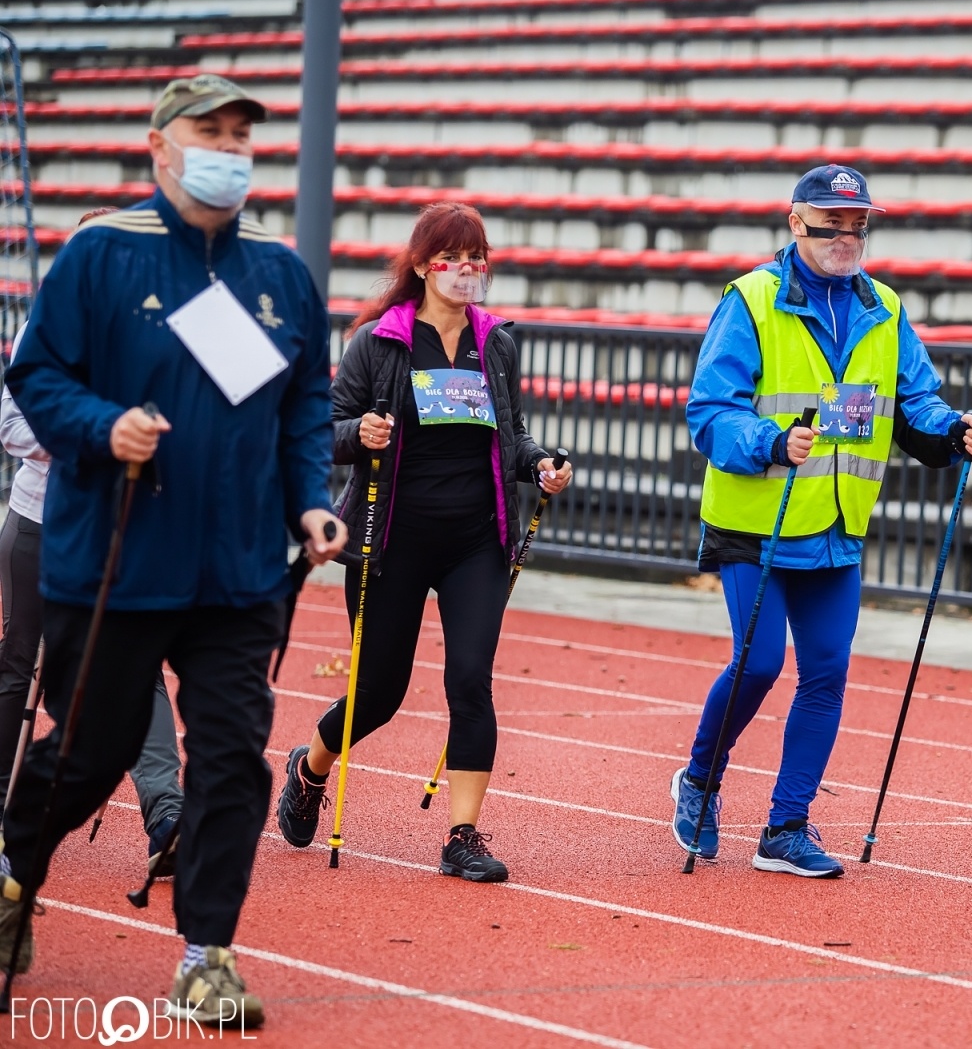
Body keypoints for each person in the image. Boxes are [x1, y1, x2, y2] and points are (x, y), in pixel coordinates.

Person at [0, 73, 343, 1027]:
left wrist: (310, 505)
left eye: (242, 131)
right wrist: (104, 428)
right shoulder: (102, 253)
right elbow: (35, 374)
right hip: (115, 560)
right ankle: (13, 877)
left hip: (238, 574)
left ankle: (207, 955)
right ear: (160, 146)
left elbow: (305, 403)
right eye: (210, 129)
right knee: (87, 754)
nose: (229, 146)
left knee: (232, 760)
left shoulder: (278, 275)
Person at [669, 165, 972, 878]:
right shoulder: (751, 300)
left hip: (837, 527)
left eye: (857, 223)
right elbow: (708, 413)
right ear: (796, 223)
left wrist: (952, 432)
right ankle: (700, 778)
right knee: (759, 664)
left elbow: (917, 404)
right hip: (756, 521)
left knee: (827, 673)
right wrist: (771, 442)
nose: (844, 236)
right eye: (829, 221)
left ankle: (786, 827)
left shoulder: (884, 307)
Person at [275, 202, 571, 884]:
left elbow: (512, 435)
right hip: (392, 537)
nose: (469, 269)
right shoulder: (379, 342)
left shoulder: (495, 342)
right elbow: (325, 428)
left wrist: (540, 466)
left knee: (471, 682)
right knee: (380, 691)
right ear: (421, 266)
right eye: (454, 257)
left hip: (476, 539)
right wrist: (361, 436)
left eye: (479, 257)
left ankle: (462, 836)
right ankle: (309, 766)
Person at [0, 208, 184, 881]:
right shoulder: (48, 326)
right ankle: (5, 811)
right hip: (42, 521)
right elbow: (12, 422)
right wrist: (93, 437)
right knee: (21, 664)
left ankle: (166, 813)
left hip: (127, 529)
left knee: (137, 665)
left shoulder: (159, 332)